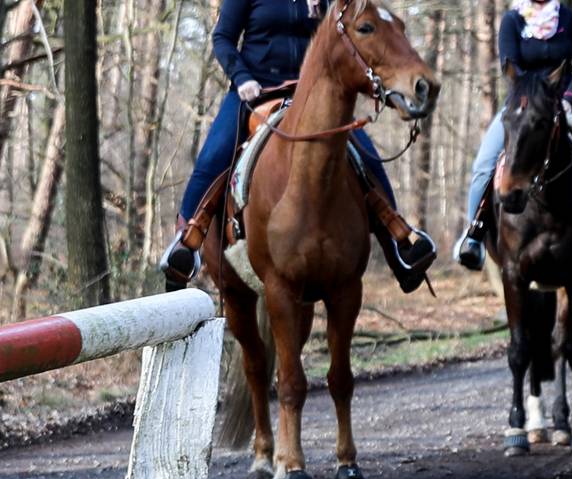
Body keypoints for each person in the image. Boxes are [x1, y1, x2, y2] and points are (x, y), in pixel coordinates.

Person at [160, 0, 438, 290]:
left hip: (312, 95)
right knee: (215, 154)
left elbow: (344, 38)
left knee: (365, 155)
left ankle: (399, 245)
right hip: (255, 90)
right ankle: (186, 244)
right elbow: (222, 38)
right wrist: (242, 78)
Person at [452, 0, 572, 270]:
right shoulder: (512, 20)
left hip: (564, 106)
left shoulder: (568, 19)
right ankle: (473, 236)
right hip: (523, 106)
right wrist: (534, 98)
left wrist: (568, 99)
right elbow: (510, 65)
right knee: (483, 166)